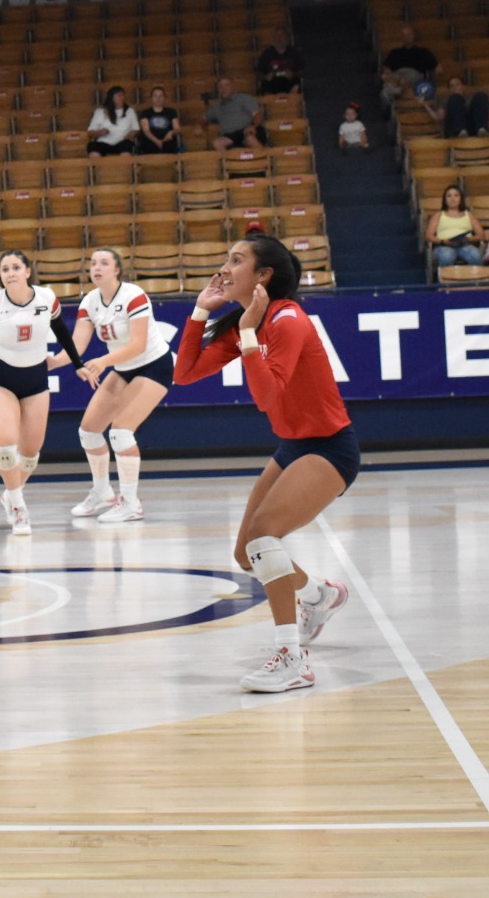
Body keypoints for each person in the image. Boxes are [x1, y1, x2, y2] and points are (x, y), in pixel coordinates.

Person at [173, 235, 356, 693]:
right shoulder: (246, 322)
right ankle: (320, 595)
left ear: (263, 275)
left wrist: (251, 334)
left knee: (262, 536)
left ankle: (293, 658)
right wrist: (201, 311)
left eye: (237, 260)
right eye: (226, 257)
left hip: (329, 448)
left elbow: (266, 396)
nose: (225, 267)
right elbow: (185, 373)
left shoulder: (288, 320)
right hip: (293, 446)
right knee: (246, 553)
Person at [54, 249, 176, 525]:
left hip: (153, 365)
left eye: (104, 263)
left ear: (117, 269)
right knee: (88, 432)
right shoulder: (90, 301)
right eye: (93, 263)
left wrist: (103, 361)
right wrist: (49, 362)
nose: (97, 267)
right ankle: (102, 492)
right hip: (123, 368)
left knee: (121, 432)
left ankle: (131, 504)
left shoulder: (133, 295)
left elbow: (138, 345)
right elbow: (78, 347)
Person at [0, 250, 84, 536]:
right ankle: (19, 508)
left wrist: (77, 365)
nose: (10, 273)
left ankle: (10, 492)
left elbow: (63, 333)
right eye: (5, 269)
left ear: (27, 271)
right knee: (6, 445)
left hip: (36, 378)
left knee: (30, 454)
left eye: (16, 267)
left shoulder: (47, 298)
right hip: (1, 378)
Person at [427, 184, 486, 268]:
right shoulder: (439, 215)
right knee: (447, 255)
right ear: (445, 199)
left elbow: (481, 235)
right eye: (449, 196)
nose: (453, 199)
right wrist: (443, 241)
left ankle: (475, 280)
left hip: (464, 245)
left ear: (460, 198)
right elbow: (429, 236)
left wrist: (468, 239)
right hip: (443, 246)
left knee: (475, 255)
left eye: (456, 195)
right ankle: (446, 280)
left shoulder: (468, 214)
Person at [205, 76, 267, 151]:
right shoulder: (217, 107)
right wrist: (199, 125)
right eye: (220, 87)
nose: (223, 89)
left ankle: (264, 159)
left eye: (226, 85)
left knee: (250, 139)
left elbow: (258, 114)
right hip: (230, 136)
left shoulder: (244, 98)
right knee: (216, 143)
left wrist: (253, 126)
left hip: (247, 130)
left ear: (233, 87)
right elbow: (204, 118)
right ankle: (229, 162)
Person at [420, 75, 489, 139]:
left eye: (457, 85)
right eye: (452, 86)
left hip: (471, 128)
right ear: (449, 89)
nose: (455, 87)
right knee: (455, 99)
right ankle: (460, 130)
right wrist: (426, 105)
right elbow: (438, 117)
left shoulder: (470, 100)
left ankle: (481, 129)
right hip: (454, 129)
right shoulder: (446, 101)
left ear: (463, 87)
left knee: (481, 96)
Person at [381, 23, 437, 94]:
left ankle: (394, 92)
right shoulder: (395, 52)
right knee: (387, 79)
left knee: (404, 80)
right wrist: (387, 72)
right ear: (401, 37)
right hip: (398, 74)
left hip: (414, 74)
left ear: (413, 35)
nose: (407, 37)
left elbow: (433, 66)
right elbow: (387, 66)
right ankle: (394, 92)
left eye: (409, 34)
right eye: (404, 35)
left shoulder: (423, 51)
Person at [85, 86, 140, 158]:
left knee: (127, 145)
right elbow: (90, 132)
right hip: (103, 142)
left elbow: (136, 129)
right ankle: (96, 168)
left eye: (123, 95)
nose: (122, 98)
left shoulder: (130, 111)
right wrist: (100, 132)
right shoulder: (100, 112)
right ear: (111, 98)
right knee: (93, 146)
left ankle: (124, 167)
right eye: (119, 96)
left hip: (122, 142)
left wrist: (127, 137)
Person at [255, 30, 304, 95]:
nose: (279, 38)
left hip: (289, 82)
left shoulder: (294, 52)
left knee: (296, 85)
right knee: (265, 87)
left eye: (282, 36)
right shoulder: (266, 54)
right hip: (272, 83)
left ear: (287, 38)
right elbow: (258, 73)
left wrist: (293, 74)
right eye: (277, 36)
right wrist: (265, 77)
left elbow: (303, 70)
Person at [136, 85, 181, 155]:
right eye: (155, 96)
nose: (158, 98)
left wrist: (171, 133)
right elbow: (146, 130)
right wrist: (157, 141)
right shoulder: (145, 113)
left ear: (164, 98)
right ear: (151, 98)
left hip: (168, 143)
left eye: (161, 96)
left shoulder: (171, 112)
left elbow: (177, 128)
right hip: (150, 143)